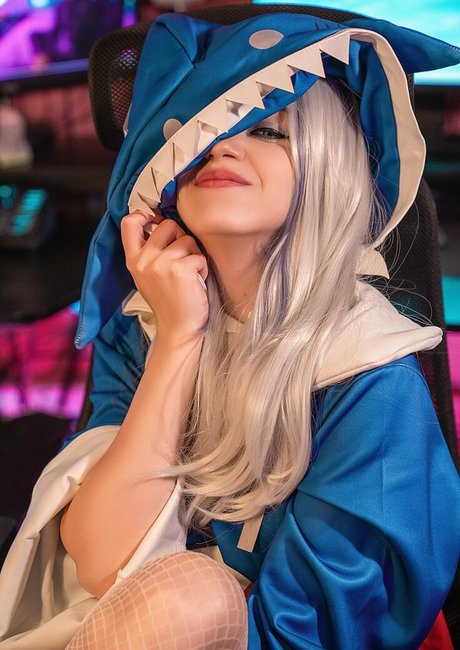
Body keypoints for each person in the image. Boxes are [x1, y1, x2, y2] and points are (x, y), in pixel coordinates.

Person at [0, 8, 459, 649]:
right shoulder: (144, 328)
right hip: (104, 619)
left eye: (267, 130)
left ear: (330, 167)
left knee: (194, 594)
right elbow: (101, 561)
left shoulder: (370, 378)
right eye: (200, 129)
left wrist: (199, 603)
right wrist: (180, 339)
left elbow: (315, 632)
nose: (221, 145)